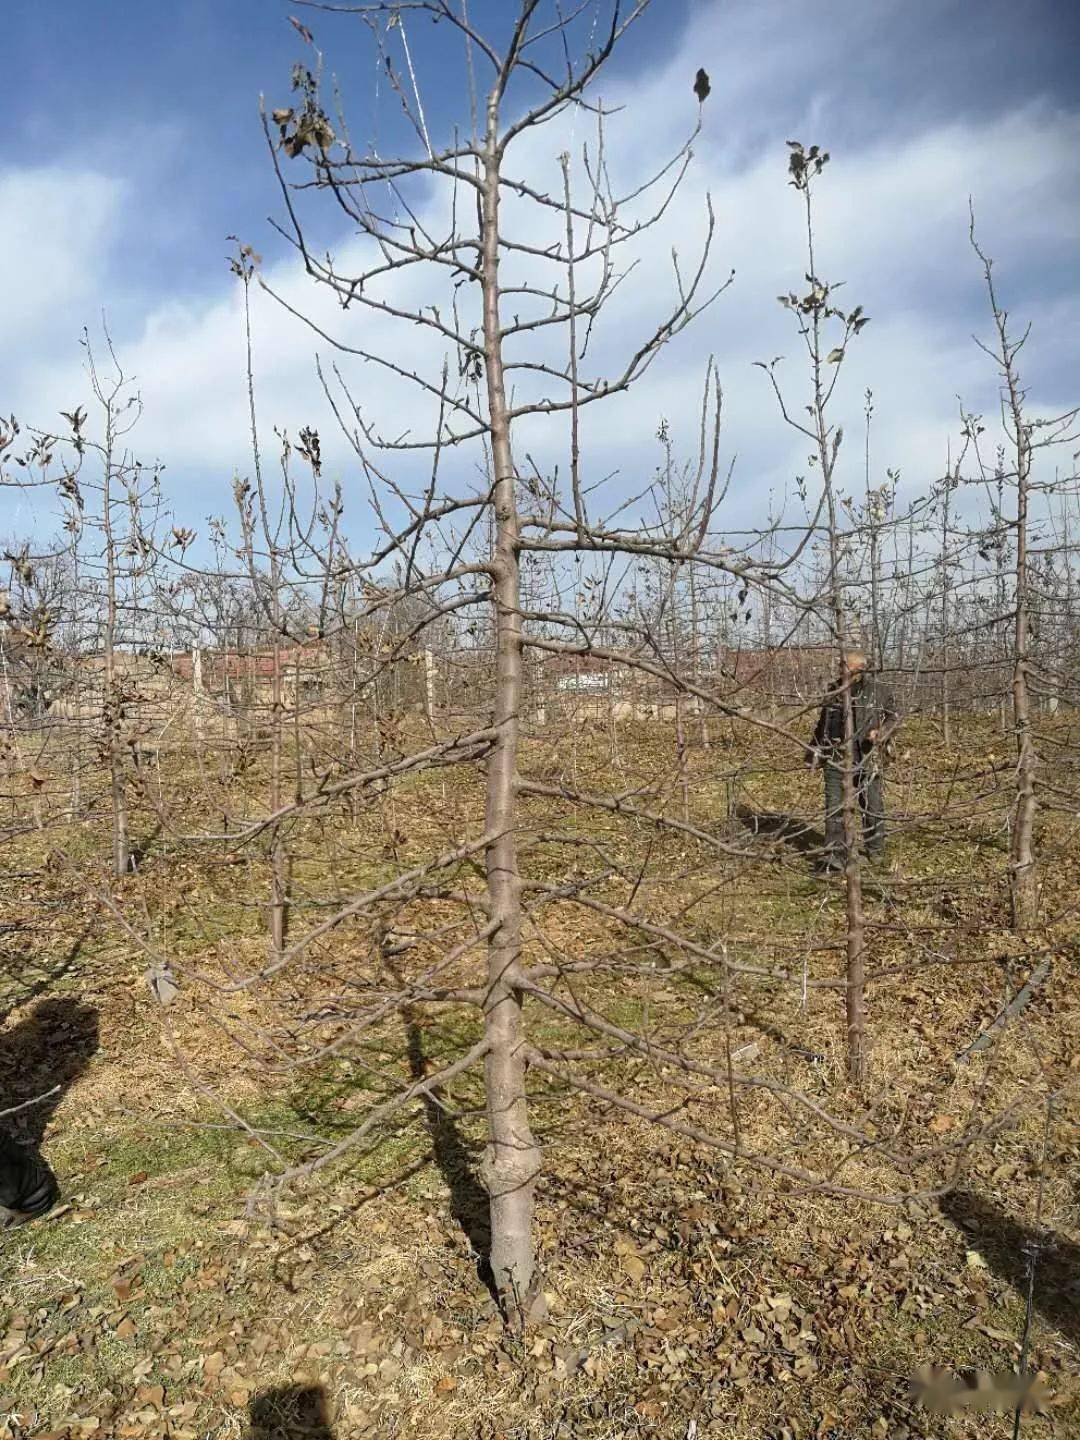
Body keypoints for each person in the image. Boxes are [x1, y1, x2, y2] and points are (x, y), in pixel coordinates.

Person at [808, 648, 899, 871]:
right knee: (834, 806)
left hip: (867, 755)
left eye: (844, 665)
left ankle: (875, 850)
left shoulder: (878, 691)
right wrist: (813, 753)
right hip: (836, 757)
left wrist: (882, 733)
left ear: (858, 668)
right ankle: (835, 855)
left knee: (872, 805)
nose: (840, 668)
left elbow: (895, 716)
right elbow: (823, 725)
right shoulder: (834, 691)